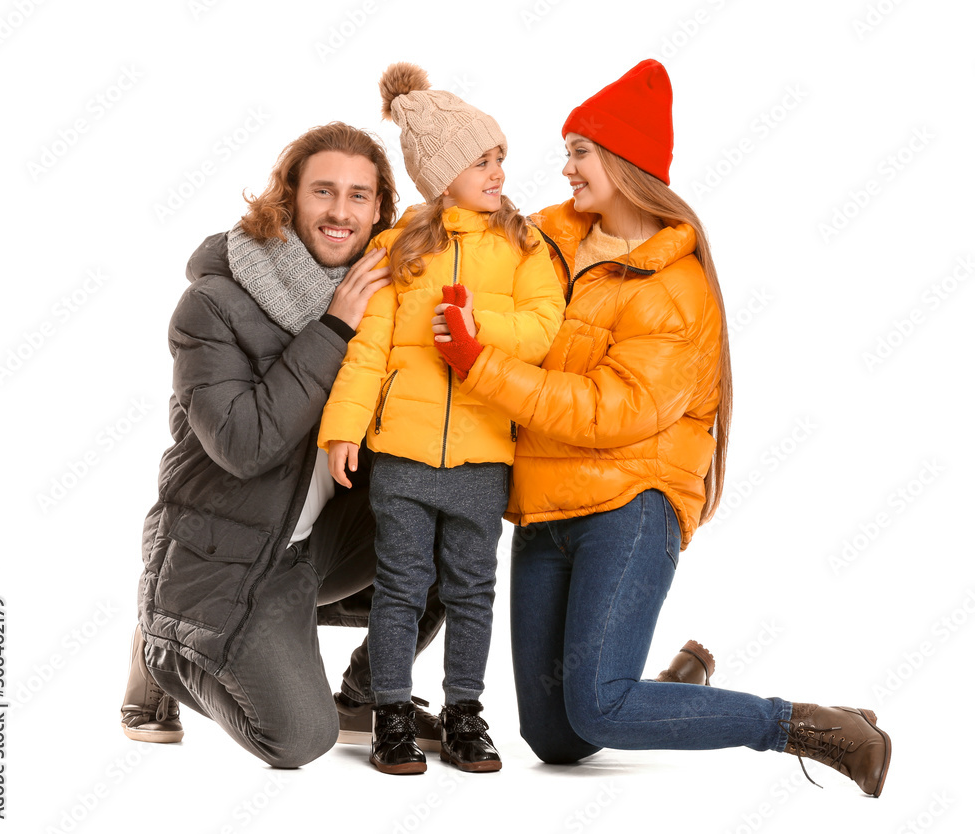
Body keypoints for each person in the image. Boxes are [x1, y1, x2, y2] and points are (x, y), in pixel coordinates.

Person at [432, 59, 892, 796]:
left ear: (623, 162)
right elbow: (456, 223)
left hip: (630, 504)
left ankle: (809, 726)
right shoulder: (547, 243)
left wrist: (480, 367)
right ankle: (674, 686)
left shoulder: (674, 291)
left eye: (580, 150)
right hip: (546, 503)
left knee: (602, 708)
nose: (567, 167)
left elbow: (610, 413)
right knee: (554, 738)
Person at [119, 122, 449, 767]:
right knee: (298, 739)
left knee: (453, 512)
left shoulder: (389, 302)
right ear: (289, 199)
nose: (340, 212)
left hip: (315, 547)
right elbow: (244, 445)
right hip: (228, 554)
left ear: (381, 210)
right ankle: (166, 646)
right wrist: (331, 329)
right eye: (323, 191)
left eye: (360, 196)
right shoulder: (212, 304)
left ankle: (362, 694)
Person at [317, 63, 566, 775]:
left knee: (469, 590)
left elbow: (544, 324)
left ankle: (464, 713)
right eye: (481, 160)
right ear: (443, 172)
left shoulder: (522, 245)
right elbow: (366, 350)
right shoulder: (398, 249)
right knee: (398, 587)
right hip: (403, 455)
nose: (497, 172)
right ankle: (388, 712)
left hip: (485, 455)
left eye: (499, 160)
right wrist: (344, 428)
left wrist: (474, 320)